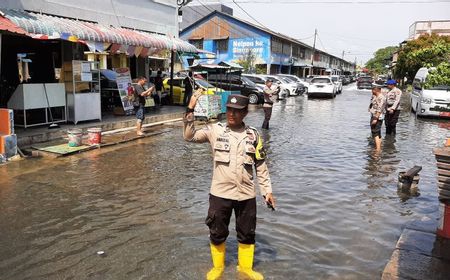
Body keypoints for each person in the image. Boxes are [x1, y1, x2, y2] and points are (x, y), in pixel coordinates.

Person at [183, 92, 275, 280]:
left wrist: (267, 191)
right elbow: (189, 137)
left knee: (247, 233)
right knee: (217, 231)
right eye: (229, 110)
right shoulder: (214, 130)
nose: (232, 114)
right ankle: (218, 268)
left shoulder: (254, 135)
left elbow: (261, 165)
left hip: (246, 194)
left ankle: (245, 269)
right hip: (220, 193)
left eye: (237, 111)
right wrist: (190, 108)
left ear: (245, 113)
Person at [369, 84, 386, 150]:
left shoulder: (381, 97)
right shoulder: (375, 96)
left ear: (375, 90)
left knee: (375, 133)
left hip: (377, 117)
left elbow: (380, 108)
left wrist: (375, 119)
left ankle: (378, 150)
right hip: (375, 115)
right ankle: (378, 148)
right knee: (377, 132)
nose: (371, 91)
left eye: (372, 90)